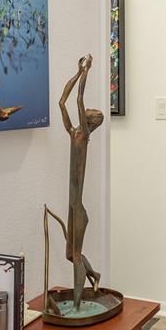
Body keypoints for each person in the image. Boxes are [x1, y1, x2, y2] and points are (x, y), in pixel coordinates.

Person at [56, 54, 104, 310]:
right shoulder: (73, 132)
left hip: (79, 208)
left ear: (92, 121)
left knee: (75, 256)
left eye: (91, 113)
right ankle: (94, 275)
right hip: (72, 204)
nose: (87, 110)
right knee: (68, 254)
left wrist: (86, 71)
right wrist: (76, 73)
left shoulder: (84, 134)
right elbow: (63, 101)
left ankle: (75, 304)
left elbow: (77, 99)